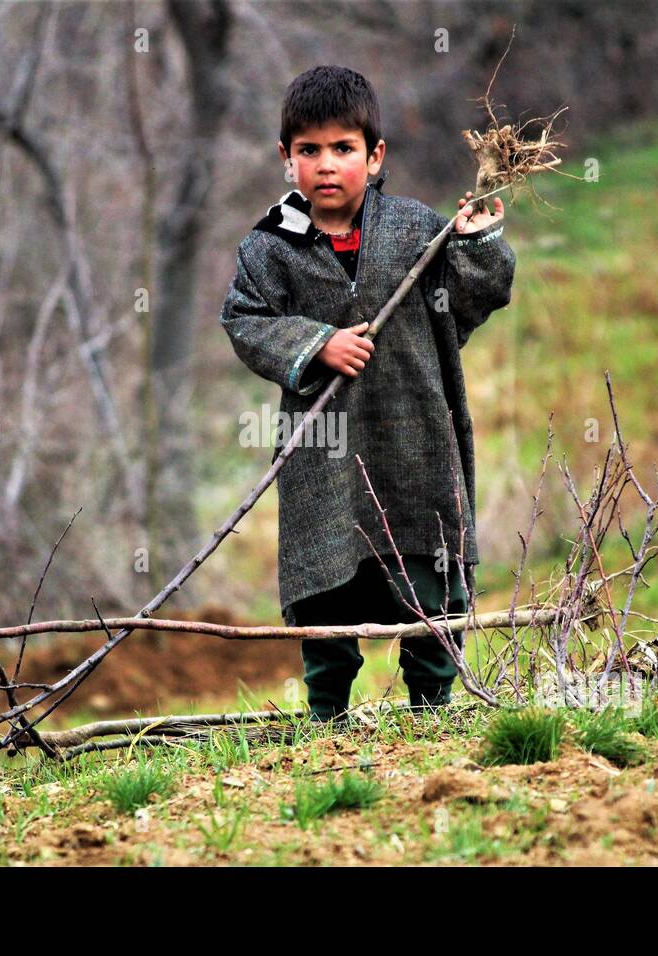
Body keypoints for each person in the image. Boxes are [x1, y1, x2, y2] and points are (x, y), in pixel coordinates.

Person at [218, 65, 516, 723]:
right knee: (327, 583)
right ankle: (327, 715)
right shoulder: (271, 247)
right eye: (310, 150)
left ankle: (432, 709)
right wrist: (316, 343)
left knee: (430, 580)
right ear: (286, 158)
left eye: (344, 148)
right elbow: (245, 320)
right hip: (326, 456)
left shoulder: (415, 232)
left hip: (418, 440)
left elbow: (476, 295)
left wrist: (479, 243)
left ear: (375, 155)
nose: (327, 165)